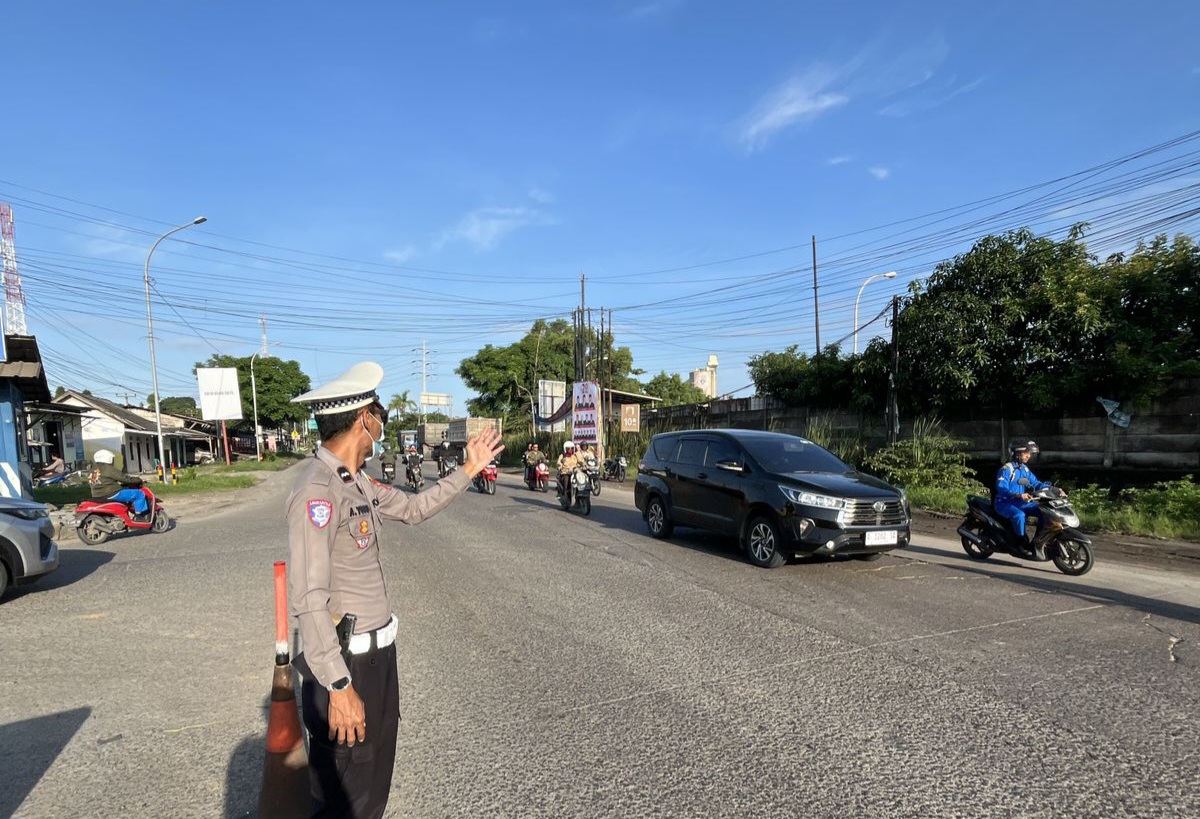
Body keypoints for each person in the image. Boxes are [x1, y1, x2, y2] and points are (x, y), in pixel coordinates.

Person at [286, 362, 503, 819]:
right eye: (379, 412)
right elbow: (308, 596)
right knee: (345, 799)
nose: (381, 422)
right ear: (363, 418)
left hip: (378, 659)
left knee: (371, 790)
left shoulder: (356, 480)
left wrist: (469, 469)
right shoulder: (318, 491)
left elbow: (414, 507)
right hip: (347, 666)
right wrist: (339, 685)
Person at [995, 440, 1053, 558]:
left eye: (1029, 453)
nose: (1028, 456)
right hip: (1004, 502)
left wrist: (1053, 489)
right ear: (1017, 453)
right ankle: (1020, 543)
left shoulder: (1024, 469)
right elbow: (1001, 487)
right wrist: (1017, 495)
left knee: (1043, 511)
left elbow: (1036, 483)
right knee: (1019, 515)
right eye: (1026, 453)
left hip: (1019, 502)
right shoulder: (1007, 469)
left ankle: (1038, 541)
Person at [88, 449, 149, 515]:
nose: (113, 461)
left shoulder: (92, 470)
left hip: (97, 495)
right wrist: (139, 480)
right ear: (107, 458)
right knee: (139, 494)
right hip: (112, 494)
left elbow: (103, 480)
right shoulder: (108, 468)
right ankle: (140, 515)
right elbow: (126, 479)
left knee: (125, 490)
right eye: (112, 459)